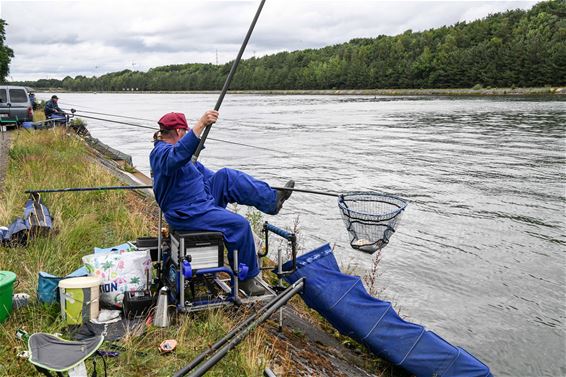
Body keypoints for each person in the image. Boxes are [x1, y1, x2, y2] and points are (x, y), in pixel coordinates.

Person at [150, 111, 294, 296]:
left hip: (201, 201)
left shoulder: (181, 155)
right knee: (239, 225)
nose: (185, 135)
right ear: (179, 131)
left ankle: (272, 200)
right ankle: (246, 279)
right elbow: (177, 156)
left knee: (226, 176)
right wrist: (201, 124)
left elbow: (206, 176)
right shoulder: (161, 152)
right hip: (188, 212)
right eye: (185, 133)